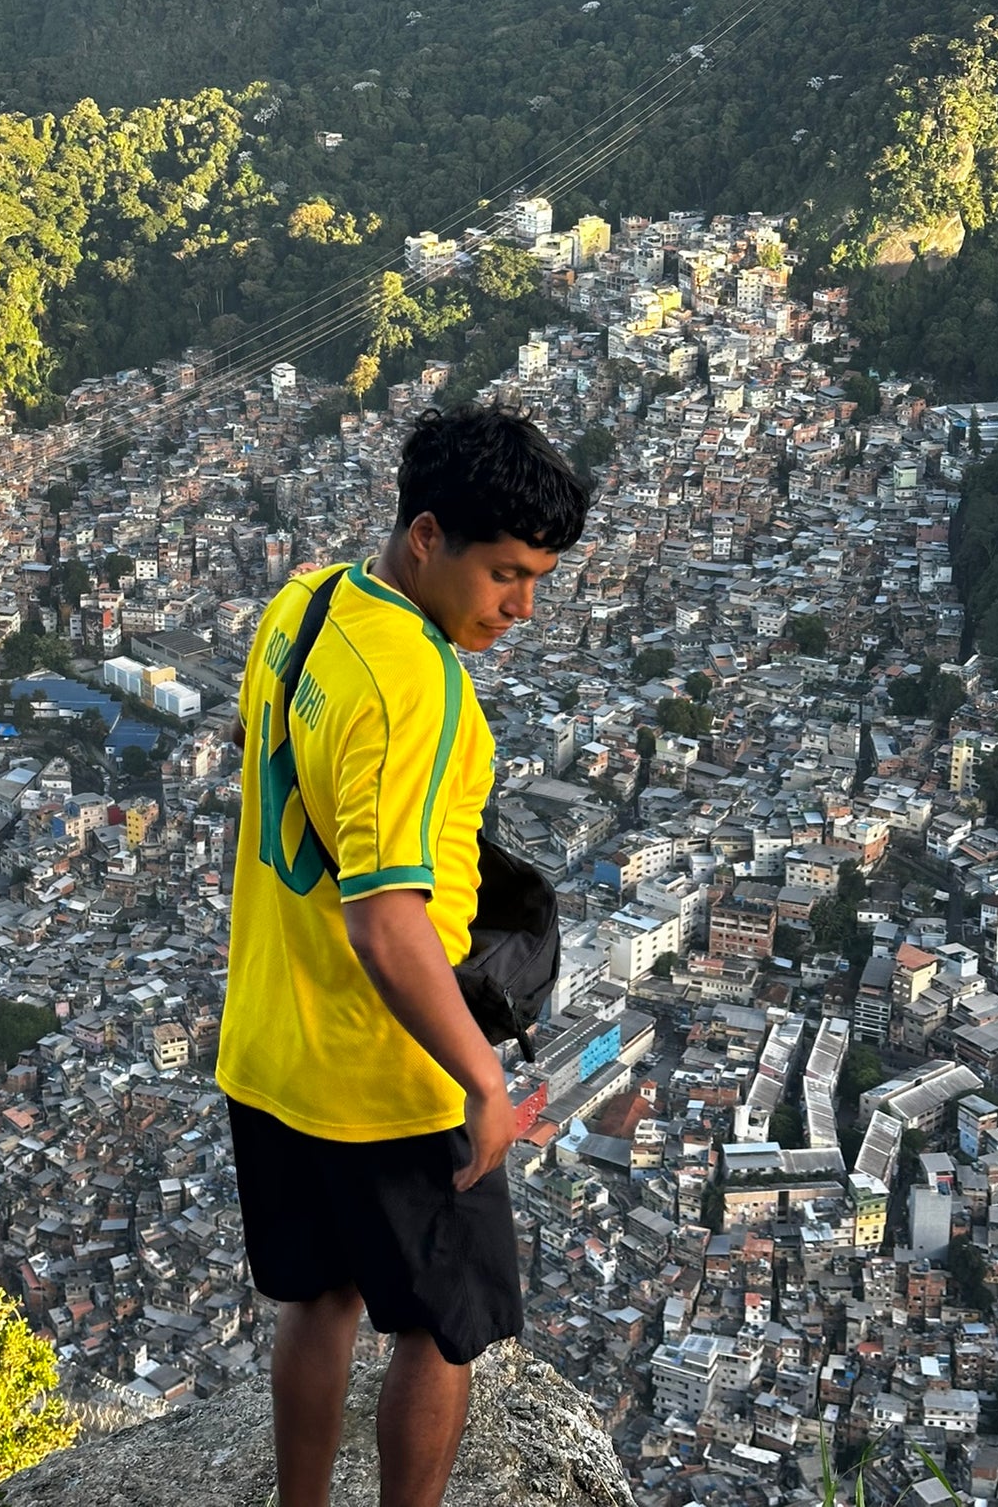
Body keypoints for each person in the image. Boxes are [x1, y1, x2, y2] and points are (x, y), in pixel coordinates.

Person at [216, 402, 591, 1507]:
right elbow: (385, 924)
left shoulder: (308, 603)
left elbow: (264, 755)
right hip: (385, 1078)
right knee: (442, 1330)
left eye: (537, 578)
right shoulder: (413, 684)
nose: (520, 606)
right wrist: (483, 1078)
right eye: (505, 574)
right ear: (426, 536)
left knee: (318, 1300)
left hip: (269, 1045)